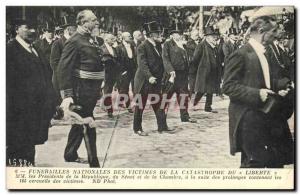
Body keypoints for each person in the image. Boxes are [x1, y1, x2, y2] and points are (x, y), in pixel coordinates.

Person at [222, 16, 294, 168]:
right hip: (248, 118)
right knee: (256, 163)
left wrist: (282, 86)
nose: (277, 34)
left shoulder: (265, 52)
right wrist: (258, 93)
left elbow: (265, 81)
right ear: (262, 31)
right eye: (273, 31)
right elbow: (228, 86)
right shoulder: (240, 54)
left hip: (267, 114)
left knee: (274, 161)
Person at [7, 19, 56, 166]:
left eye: (35, 28)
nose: (33, 31)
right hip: (18, 110)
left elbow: (46, 75)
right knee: (17, 146)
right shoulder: (10, 50)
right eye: (28, 27)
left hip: (35, 109)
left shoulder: (35, 49)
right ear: (17, 29)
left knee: (29, 144)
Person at [58, 9, 103, 167]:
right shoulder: (74, 41)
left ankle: (70, 154)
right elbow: (63, 69)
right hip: (80, 91)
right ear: (84, 23)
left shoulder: (90, 39)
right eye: (93, 20)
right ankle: (94, 163)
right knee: (88, 122)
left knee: (79, 123)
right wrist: (67, 94)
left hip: (90, 91)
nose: (97, 22)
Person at [133, 21, 172, 136]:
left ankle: (162, 126)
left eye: (158, 33)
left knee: (159, 104)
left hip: (155, 81)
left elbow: (162, 61)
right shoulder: (142, 46)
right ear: (150, 35)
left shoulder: (158, 45)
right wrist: (149, 76)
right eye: (156, 33)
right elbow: (142, 64)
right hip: (144, 81)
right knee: (140, 105)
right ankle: (137, 128)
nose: (159, 35)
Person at [162, 24, 196, 123]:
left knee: (183, 95)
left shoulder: (183, 44)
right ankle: (161, 116)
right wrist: (170, 70)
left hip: (183, 75)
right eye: (176, 33)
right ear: (172, 35)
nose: (179, 35)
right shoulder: (167, 44)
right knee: (166, 95)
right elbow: (165, 59)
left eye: (179, 33)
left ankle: (184, 116)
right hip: (172, 74)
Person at [50, 16, 77, 120]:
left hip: (73, 76)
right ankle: (58, 114)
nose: (75, 31)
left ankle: (70, 114)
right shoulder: (57, 43)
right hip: (60, 77)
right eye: (73, 28)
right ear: (68, 29)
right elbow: (54, 62)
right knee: (58, 97)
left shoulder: (75, 42)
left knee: (71, 97)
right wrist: (62, 75)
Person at [192, 26, 222, 113]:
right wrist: (200, 68)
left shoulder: (214, 46)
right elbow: (195, 59)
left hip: (213, 72)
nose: (214, 38)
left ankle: (208, 107)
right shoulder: (201, 45)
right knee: (201, 90)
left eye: (215, 36)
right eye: (213, 37)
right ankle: (194, 104)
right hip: (204, 72)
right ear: (208, 37)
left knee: (210, 90)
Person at [115, 32, 136, 113]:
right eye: (129, 36)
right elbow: (117, 61)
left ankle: (120, 102)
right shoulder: (119, 48)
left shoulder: (132, 46)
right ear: (123, 37)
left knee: (131, 87)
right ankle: (128, 105)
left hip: (132, 69)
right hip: (124, 70)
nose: (130, 37)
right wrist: (122, 70)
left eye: (130, 36)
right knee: (125, 87)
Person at [100, 33, 120, 118]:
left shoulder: (114, 49)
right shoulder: (101, 49)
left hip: (113, 74)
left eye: (114, 39)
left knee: (109, 92)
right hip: (105, 74)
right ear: (106, 40)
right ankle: (109, 111)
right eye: (111, 39)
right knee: (107, 92)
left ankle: (105, 105)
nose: (113, 40)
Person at [185, 29, 200, 95]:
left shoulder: (195, 42)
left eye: (197, 35)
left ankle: (193, 91)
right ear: (192, 35)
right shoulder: (190, 42)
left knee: (195, 78)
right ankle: (191, 92)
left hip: (195, 63)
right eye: (196, 35)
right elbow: (193, 48)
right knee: (192, 79)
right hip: (192, 64)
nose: (198, 36)